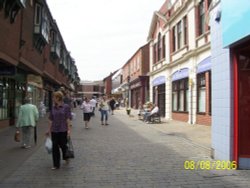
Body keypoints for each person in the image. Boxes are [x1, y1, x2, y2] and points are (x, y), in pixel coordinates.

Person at [46, 91, 72, 170]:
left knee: (63, 145)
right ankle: (56, 164)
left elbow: (68, 119)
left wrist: (69, 130)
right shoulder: (53, 108)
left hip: (63, 130)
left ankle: (66, 156)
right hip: (54, 130)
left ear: (58, 98)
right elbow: (51, 119)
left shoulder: (66, 107)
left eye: (54, 97)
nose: (53, 99)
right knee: (55, 147)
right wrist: (48, 130)